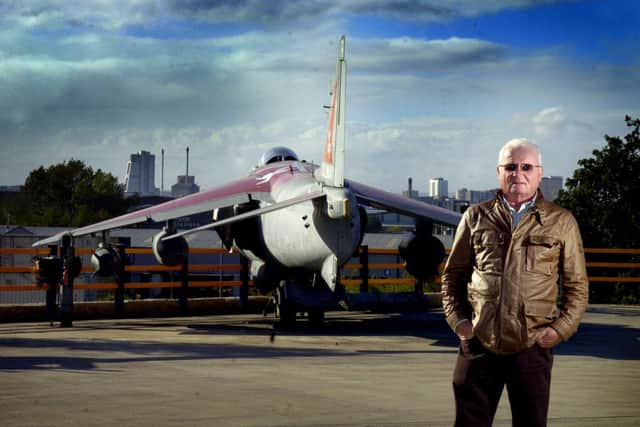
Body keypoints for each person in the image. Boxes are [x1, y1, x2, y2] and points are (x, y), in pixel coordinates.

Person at [441, 138, 588, 427]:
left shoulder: (561, 221)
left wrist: (559, 331)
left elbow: (577, 287)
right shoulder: (475, 216)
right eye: (510, 166)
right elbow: (452, 276)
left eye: (526, 166)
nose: (517, 173)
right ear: (499, 171)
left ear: (539, 173)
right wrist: (459, 323)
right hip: (479, 344)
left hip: (532, 348)